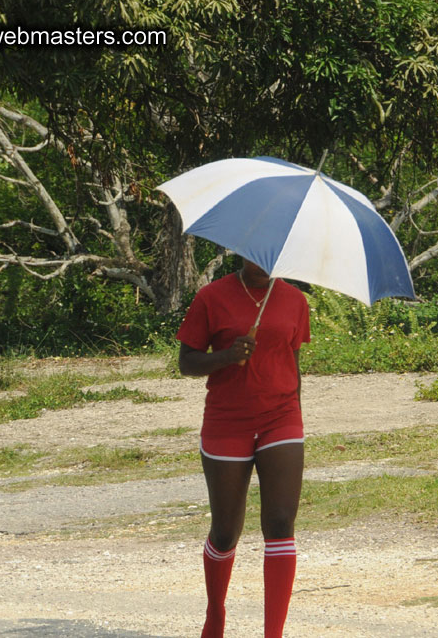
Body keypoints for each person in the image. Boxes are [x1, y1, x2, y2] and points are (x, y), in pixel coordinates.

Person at [176, 258, 311, 638]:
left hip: (281, 418)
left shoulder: (294, 300)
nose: (265, 264)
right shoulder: (211, 296)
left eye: (275, 257)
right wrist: (226, 357)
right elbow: (186, 363)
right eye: (258, 255)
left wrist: (295, 418)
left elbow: (293, 362)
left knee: (281, 523)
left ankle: (274, 634)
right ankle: (215, 616)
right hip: (227, 421)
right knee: (225, 532)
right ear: (240, 251)